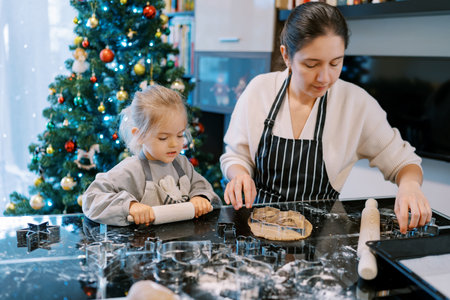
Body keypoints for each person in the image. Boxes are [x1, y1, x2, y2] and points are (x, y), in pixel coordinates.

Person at [220, 2, 431, 234]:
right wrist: (239, 174)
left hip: (320, 242)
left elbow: (404, 162)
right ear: (286, 56)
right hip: (256, 232)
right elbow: (236, 155)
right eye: (312, 64)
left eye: (335, 63)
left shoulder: (355, 104)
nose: (325, 77)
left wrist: (410, 186)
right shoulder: (259, 91)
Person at [83, 85, 219, 226]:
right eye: (163, 138)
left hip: (181, 243)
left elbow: (203, 188)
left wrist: (200, 197)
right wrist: (130, 206)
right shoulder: (131, 169)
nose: (174, 144)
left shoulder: (182, 164)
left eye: (180, 135)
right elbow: (92, 198)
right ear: (139, 135)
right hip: (144, 245)